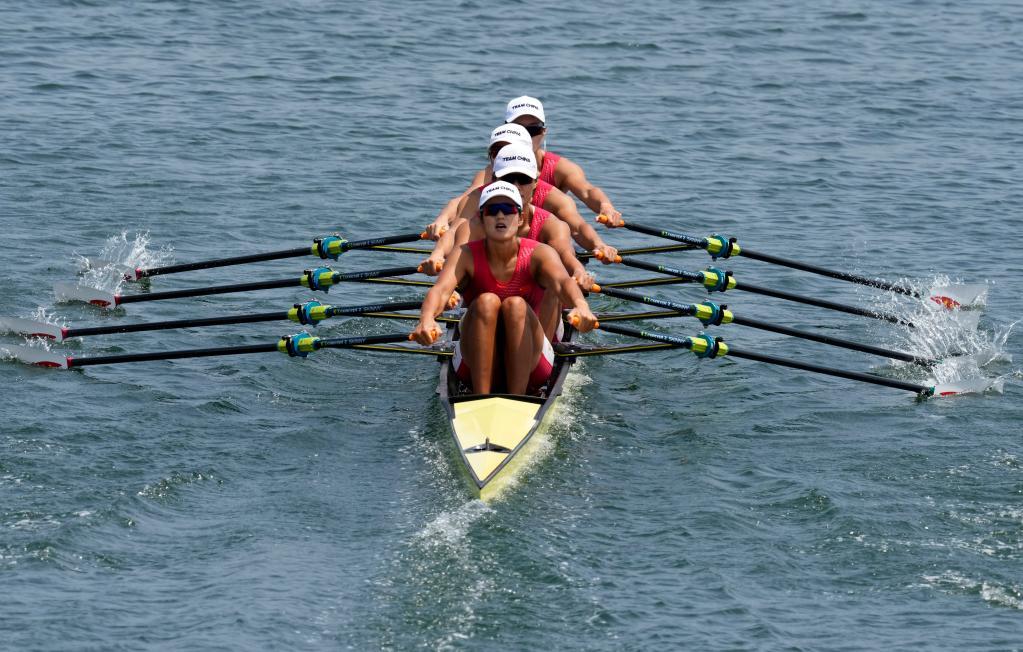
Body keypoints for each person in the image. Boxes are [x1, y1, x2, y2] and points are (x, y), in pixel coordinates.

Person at [412, 182, 597, 396]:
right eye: (492, 211)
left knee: (516, 305)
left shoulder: (540, 253)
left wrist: (581, 306)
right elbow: (441, 291)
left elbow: (564, 283)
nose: (500, 216)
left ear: (520, 218)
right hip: (473, 364)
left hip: (532, 364)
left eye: (508, 210)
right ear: (481, 220)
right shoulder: (464, 255)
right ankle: (481, 398)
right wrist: (426, 319)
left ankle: (517, 397)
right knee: (486, 302)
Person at [421, 141, 617, 277]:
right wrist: (438, 254)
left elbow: (575, 230)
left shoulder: (553, 208)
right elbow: (456, 230)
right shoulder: (476, 208)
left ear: (535, 180)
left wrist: (593, 252)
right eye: (508, 179)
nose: (515, 186)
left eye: (523, 179)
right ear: (494, 178)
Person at [504, 95, 625, 227]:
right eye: (519, 130)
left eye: (533, 129)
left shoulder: (560, 169)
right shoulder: (493, 172)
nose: (526, 136)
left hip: (551, 242)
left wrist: (606, 206)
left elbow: (588, 191)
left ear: (543, 131)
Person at [423, 124, 533, 240]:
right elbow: (465, 200)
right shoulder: (488, 174)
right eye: (497, 152)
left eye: (508, 151)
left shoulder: (548, 192)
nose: (502, 156)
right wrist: (443, 219)